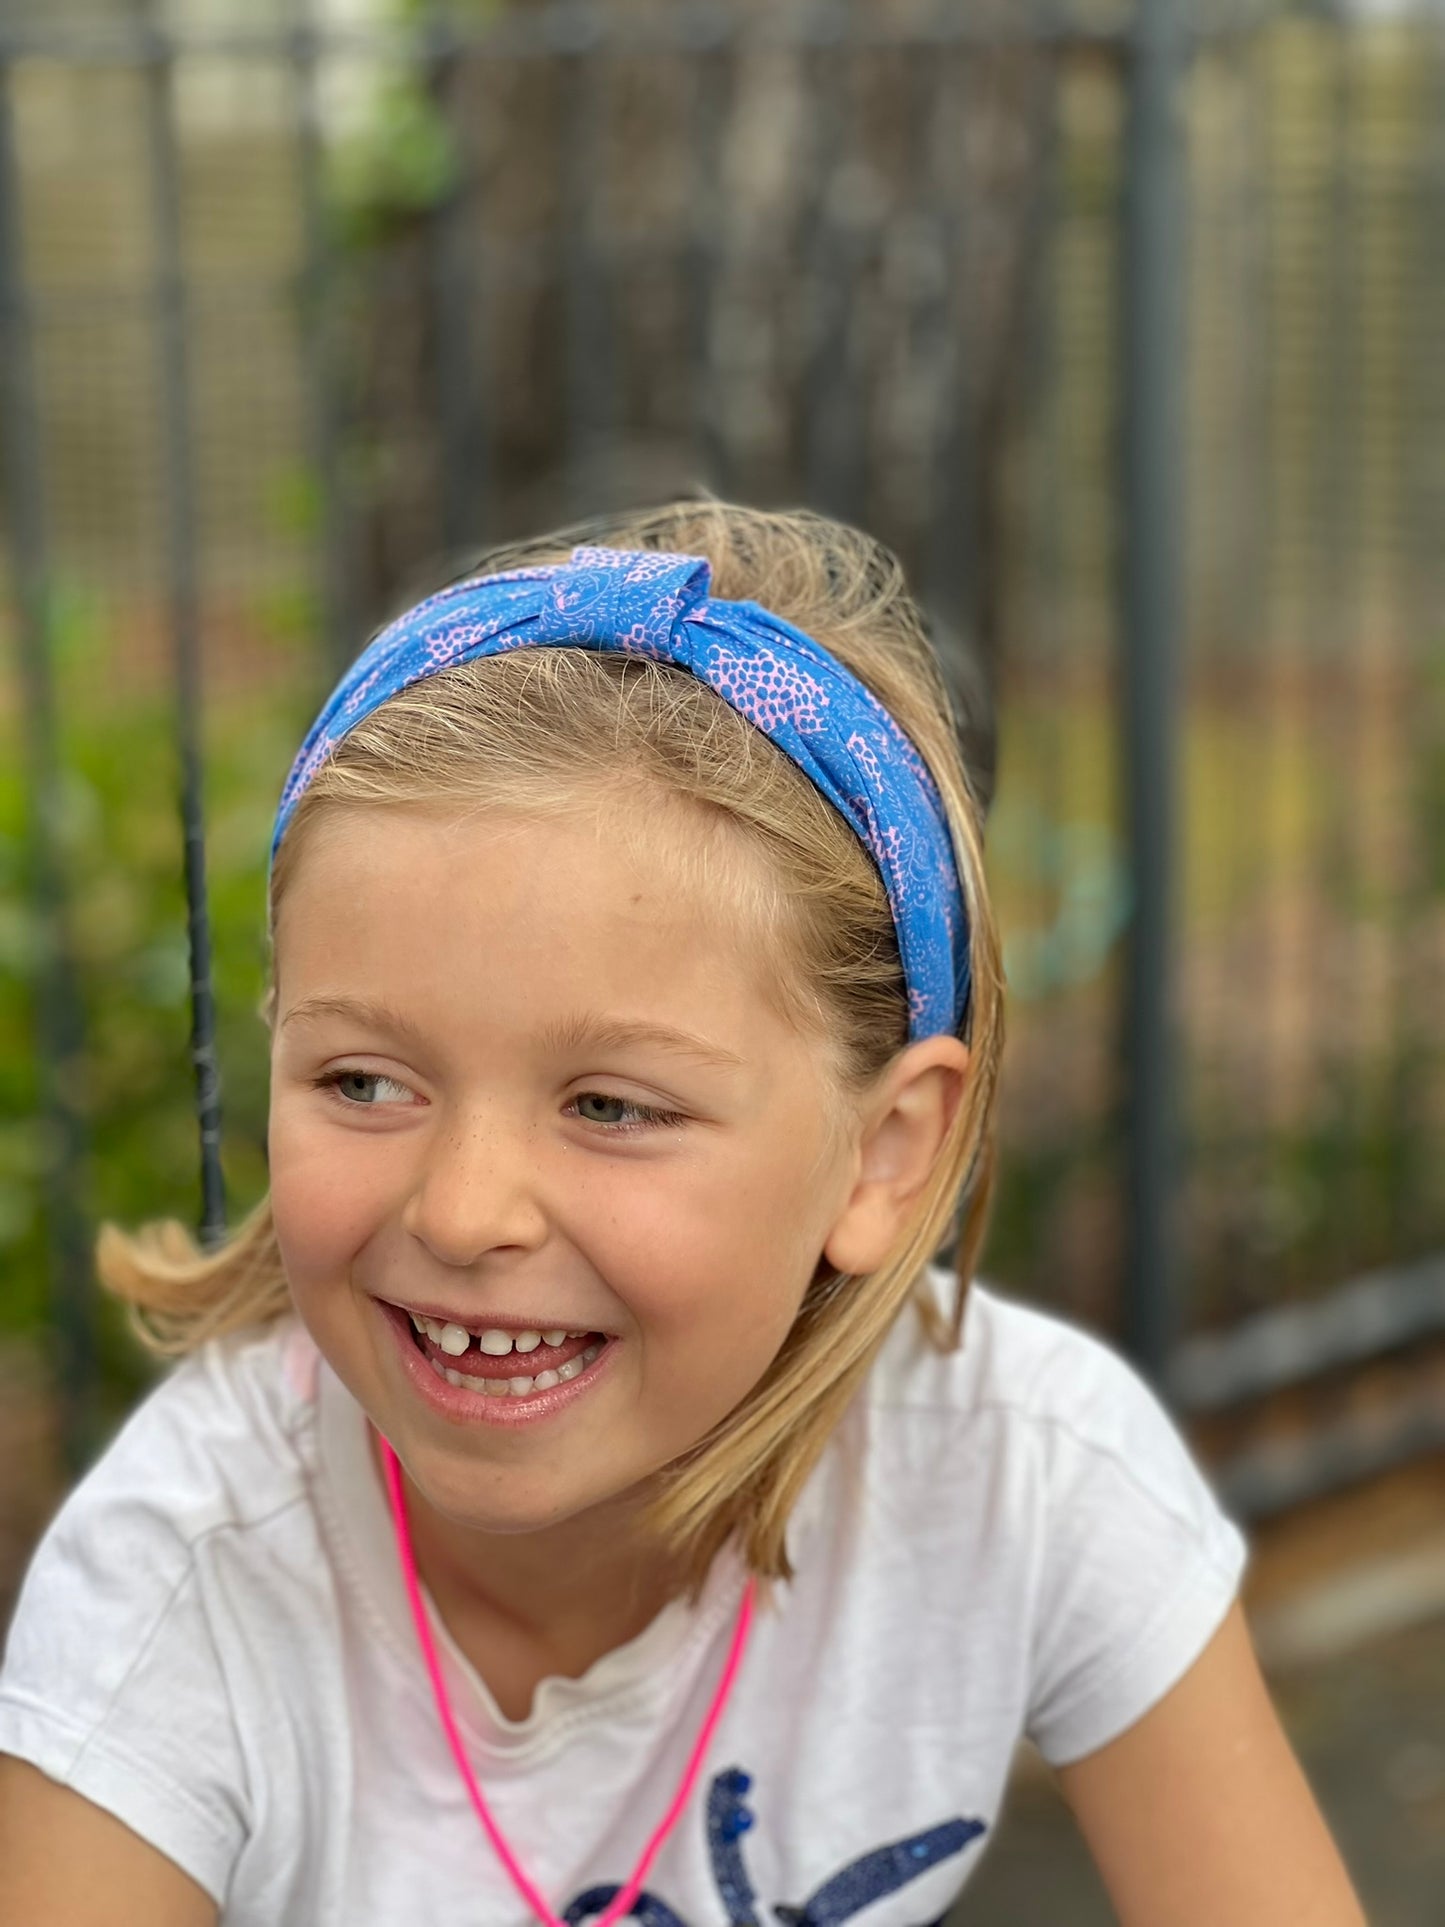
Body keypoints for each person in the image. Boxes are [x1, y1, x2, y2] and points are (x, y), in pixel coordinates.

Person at [0, 502, 1363, 1926]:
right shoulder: (178, 1588)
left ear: (883, 1153)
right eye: (363, 1078)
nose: (465, 1212)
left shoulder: (1028, 1477)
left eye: (610, 1107)